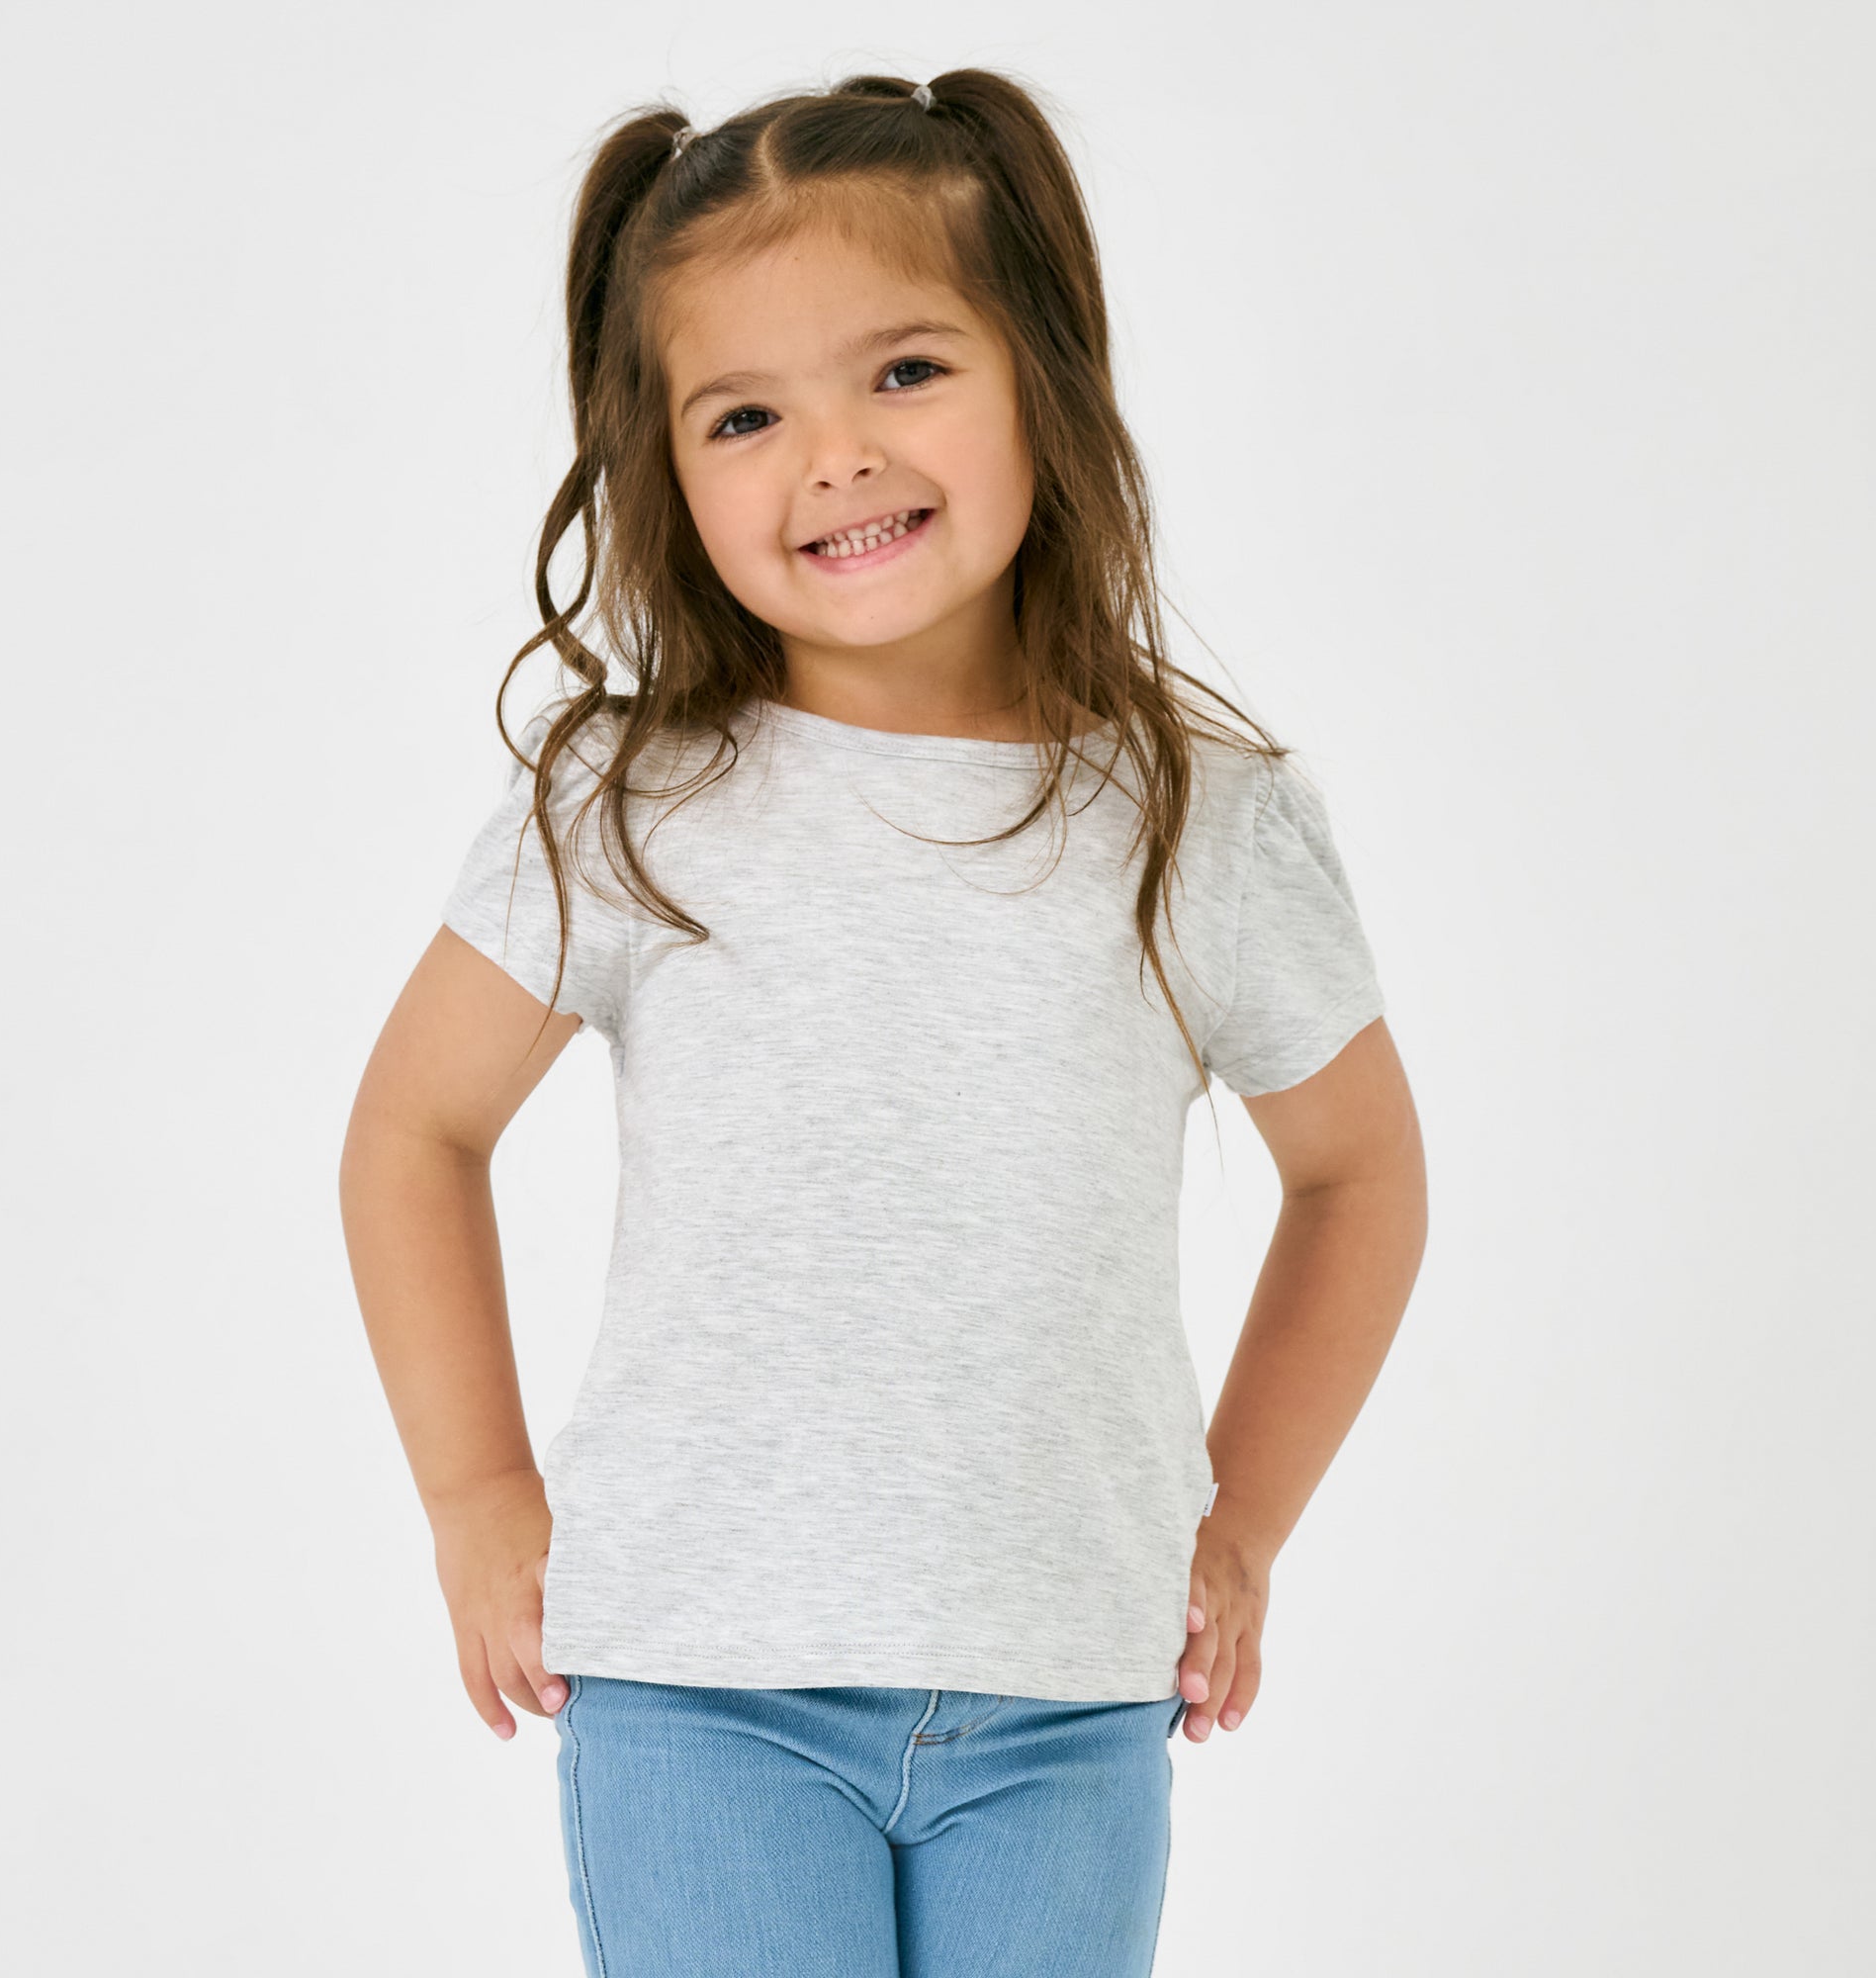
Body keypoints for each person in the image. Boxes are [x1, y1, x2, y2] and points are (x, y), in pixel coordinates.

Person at [339, 65, 1427, 1978]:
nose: (833, 457)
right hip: (702, 1688)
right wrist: (477, 1494)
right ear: (667, 467)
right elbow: (412, 1134)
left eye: (905, 371)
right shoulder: (631, 803)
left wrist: (1241, 1520)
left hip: (1071, 1691)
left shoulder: (1203, 819)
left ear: (1042, 379)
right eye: (745, 414)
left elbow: (1358, 1177)